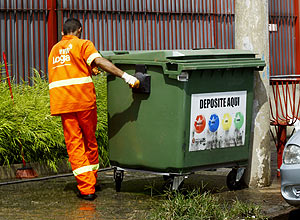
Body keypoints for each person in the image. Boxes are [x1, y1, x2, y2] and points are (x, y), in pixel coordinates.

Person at [48, 18, 139, 201]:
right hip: (83, 101)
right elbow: (99, 60)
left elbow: (68, 70)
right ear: (80, 30)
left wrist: (88, 69)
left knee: (74, 144)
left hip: (64, 103)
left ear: (62, 33)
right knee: (89, 140)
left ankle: (87, 184)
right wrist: (125, 76)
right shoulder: (83, 44)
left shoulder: (54, 50)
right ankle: (89, 185)